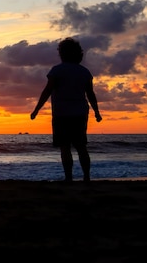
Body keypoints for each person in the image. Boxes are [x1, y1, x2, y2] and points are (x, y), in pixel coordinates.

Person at [30, 37, 102, 183]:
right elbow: (91, 94)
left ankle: (68, 178)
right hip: (80, 113)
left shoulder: (57, 71)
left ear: (62, 53)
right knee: (81, 146)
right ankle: (86, 178)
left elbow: (47, 91)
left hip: (61, 114)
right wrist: (97, 112)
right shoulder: (84, 72)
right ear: (78, 54)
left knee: (65, 147)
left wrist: (36, 110)